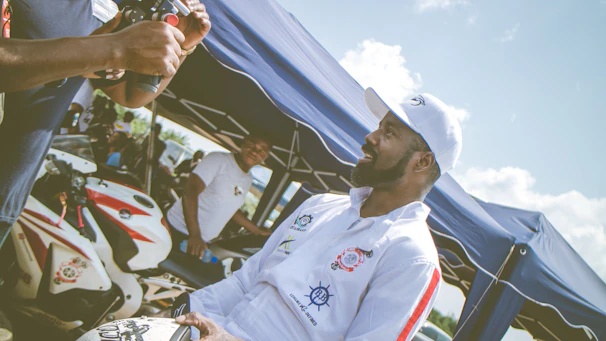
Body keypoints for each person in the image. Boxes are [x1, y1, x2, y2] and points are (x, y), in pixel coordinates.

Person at [174, 88, 463, 341]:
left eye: (389, 133)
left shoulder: (412, 257)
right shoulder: (320, 205)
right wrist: (182, 310)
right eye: (379, 127)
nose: (370, 137)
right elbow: (244, 280)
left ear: (422, 161)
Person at [0, 0, 211, 249]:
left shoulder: (106, 8)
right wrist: (113, 48)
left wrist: (183, 44)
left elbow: (130, 96)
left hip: (9, 190)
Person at [167, 135, 273, 259]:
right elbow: (190, 192)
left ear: (265, 157)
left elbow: (230, 209)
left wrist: (256, 231)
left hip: (200, 242)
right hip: (178, 231)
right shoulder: (218, 160)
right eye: (252, 144)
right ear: (243, 143)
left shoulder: (247, 179)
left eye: (262, 150)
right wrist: (195, 235)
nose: (255, 151)